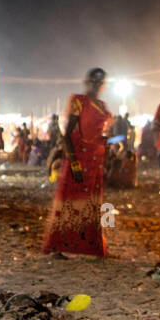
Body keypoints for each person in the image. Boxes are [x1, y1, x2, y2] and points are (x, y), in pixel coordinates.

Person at [41, 68, 112, 256]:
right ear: (87, 82)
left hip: (95, 161)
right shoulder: (78, 101)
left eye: (100, 82)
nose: (96, 85)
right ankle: (63, 245)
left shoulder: (103, 106)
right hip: (78, 159)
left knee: (91, 205)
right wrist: (74, 163)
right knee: (70, 204)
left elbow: (102, 134)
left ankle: (88, 246)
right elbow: (67, 136)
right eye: (93, 81)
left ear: (103, 85)